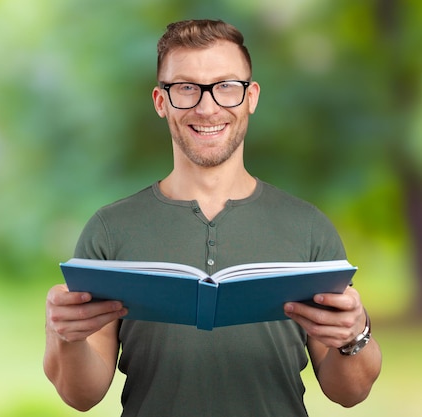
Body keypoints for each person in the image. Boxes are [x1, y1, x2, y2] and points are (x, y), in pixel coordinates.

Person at [44, 19, 382, 417]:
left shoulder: (309, 229)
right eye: (186, 88)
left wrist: (354, 335)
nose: (207, 107)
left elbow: (349, 392)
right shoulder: (109, 231)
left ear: (251, 96)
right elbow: (82, 395)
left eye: (226, 86)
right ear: (160, 101)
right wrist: (65, 337)